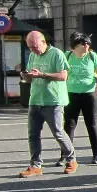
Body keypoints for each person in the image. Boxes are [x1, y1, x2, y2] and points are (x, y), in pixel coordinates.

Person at [19, 31, 77, 177]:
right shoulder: (33, 55)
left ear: (43, 42)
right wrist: (26, 76)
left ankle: (71, 159)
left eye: (35, 46)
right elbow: (31, 78)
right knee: (33, 134)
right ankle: (35, 165)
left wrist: (42, 75)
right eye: (30, 47)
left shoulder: (56, 54)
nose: (33, 50)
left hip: (53, 100)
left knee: (58, 132)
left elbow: (64, 76)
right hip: (35, 99)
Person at [62, 32, 97, 165]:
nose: (86, 46)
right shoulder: (67, 55)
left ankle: (96, 155)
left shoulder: (92, 56)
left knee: (92, 124)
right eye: (83, 44)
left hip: (89, 94)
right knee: (69, 125)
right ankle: (65, 155)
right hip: (71, 94)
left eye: (88, 44)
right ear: (75, 46)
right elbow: (61, 72)